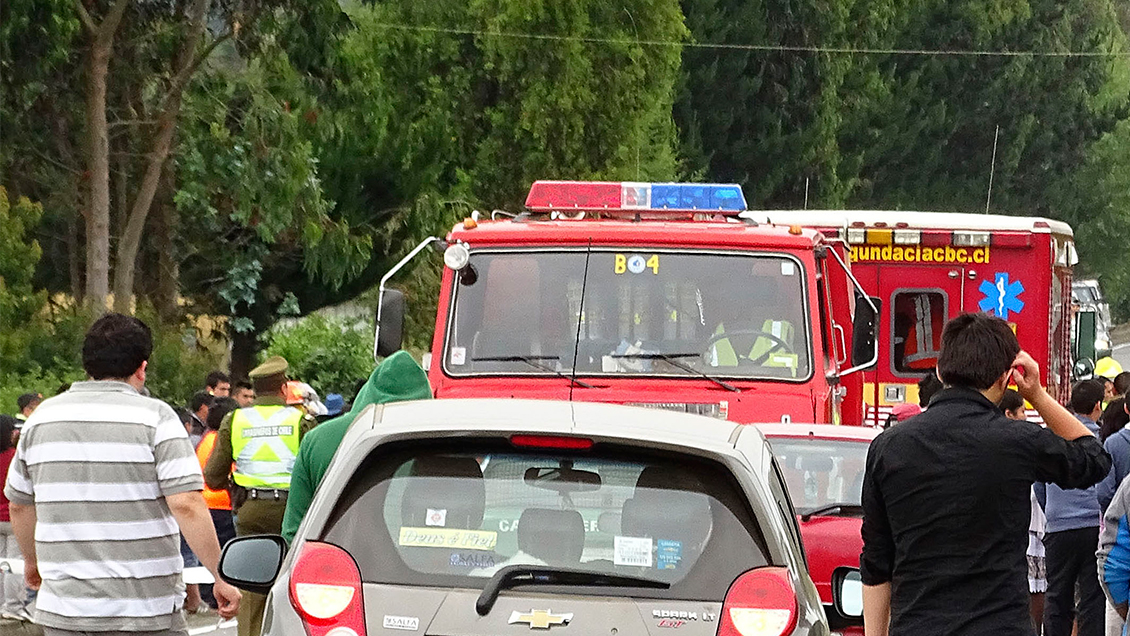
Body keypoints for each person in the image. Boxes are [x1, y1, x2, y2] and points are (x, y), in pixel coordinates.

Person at [860, 312, 1111, 636]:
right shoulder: (1018, 441)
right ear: (1005, 378)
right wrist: (1036, 395)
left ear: (939, 369)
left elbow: (876, 565)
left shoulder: (887, 448)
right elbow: (1094, 459)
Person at [5, 313, 240, 634]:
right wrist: (219, 575)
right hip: (145, 609)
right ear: (142, 368)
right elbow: (185, 503)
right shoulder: (157, 418)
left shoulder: (40, 420)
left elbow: (19, 504)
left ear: (88, 366)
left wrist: (32, 563)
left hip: (66, 609)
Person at [205, 355, 315, 636]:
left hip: (250, 511)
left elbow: (213, 477)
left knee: (252, 586)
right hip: (292, 513)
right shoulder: (300, 419)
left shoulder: (235, 419)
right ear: (283, 388)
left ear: (255, 391)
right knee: (294, 582)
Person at [282, 351, 432, 543]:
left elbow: (293, 532)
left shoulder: (317, 439)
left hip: (335, 566)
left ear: (367, 392)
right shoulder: (435, 436)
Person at [1034, 379, 1107, 636]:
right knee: (1092, 596)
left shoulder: (1054, 439)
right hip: (1091, 529)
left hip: (1057, 528)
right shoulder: (1099, 442)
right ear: (1098, 406)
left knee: (1056, 594)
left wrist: (1053, 512)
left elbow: (1039, 486)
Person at [1002, 389, 1047, 634]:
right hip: (1029, 532)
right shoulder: (1024, 443)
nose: (1026, 417)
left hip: (1028, 531)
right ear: (1008, 414)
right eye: (1022, 412)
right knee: (1033, 593)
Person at [0, 414, 30, 623]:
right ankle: (13, 607)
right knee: (15, 564)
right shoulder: (14, 457)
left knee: (1, 564)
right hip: (12, 517)